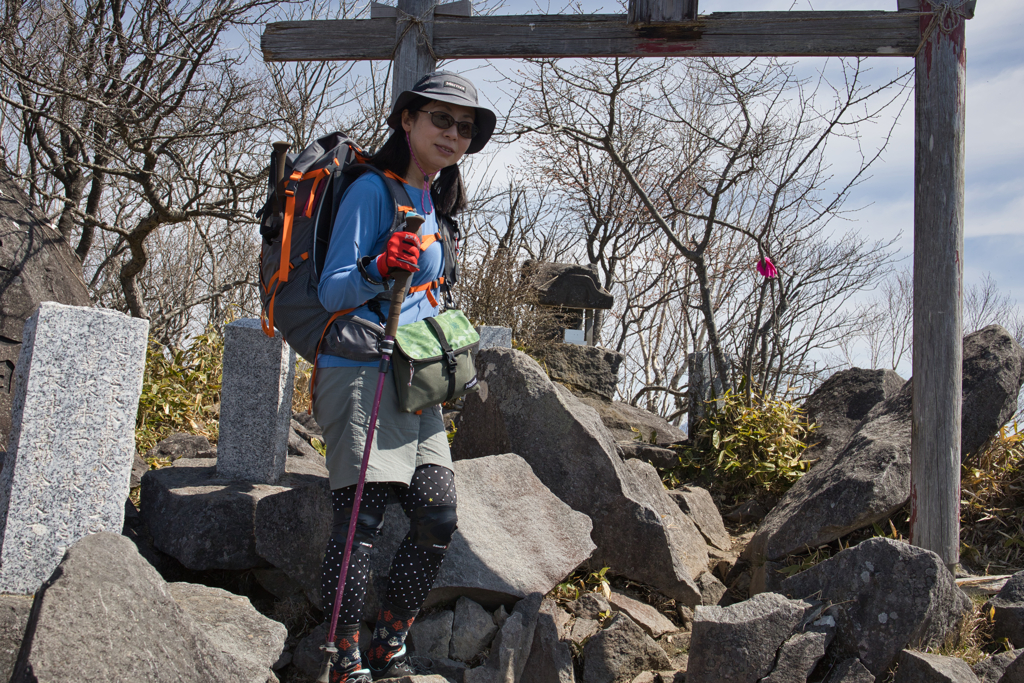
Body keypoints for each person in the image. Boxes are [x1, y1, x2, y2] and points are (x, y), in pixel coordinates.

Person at [313, 71, 496, 683]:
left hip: (417, 375)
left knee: (438, 514)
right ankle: (343, 656)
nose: (452, 133)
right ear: (407, 121)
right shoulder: (372, 190)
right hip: (363, 365)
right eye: (440, 119)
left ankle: (388, 639)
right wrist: (376, 265)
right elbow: (332, 288)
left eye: (463, 126)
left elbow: (429, 291)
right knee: (363, 517)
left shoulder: (433, 200)